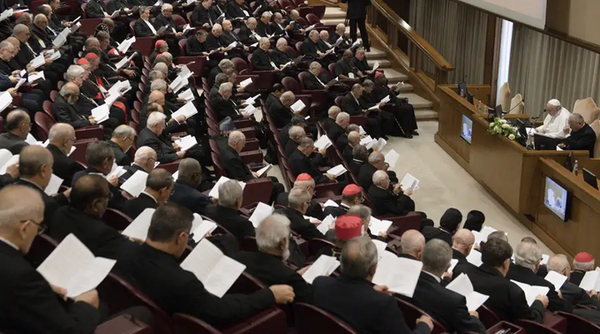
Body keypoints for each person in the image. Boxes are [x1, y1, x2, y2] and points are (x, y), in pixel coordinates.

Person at [114, 203, 295, 327]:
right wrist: (269, 295)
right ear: (182, 237)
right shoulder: (182, 281)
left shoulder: (123, 252)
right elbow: (221, 311)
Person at [0, 185, 102, 334]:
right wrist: (86, 304)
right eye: (38, 226)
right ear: (25, 229)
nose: (37, 233)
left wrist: (40, 287)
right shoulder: (21, 276)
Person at [312, 236, 433, 334]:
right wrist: (424, 326)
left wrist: (372, 291)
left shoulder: (319, 283)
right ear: (374, 268)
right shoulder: (384, 304)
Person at [408, 239, 486, 333]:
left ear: (420, 256)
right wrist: (474, 318)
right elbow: (477, 331)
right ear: (448, 266)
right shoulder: (455, 301)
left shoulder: (403, 279)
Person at [234, 214, 313, 303]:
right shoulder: (290, 278)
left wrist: (296, 275)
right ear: (283, 243)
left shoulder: (238, 258)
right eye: (289, 238)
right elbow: (308, 306)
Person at [50, 175, 134, 259]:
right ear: (95, 205)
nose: (108, 200)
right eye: (108, 196)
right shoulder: (103, 233)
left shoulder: (59, 212)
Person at [465, 238, 547, 323]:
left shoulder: (465, 273)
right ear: (506, 262)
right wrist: (539, 303)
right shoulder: (512, 291)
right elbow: (529, 322)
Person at [506, 239, 573, 313]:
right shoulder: (546, 286)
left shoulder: (503, 272)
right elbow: (566, 309)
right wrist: (560, 298)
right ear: (537, 263)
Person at [14, 146, 69, 227]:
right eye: (51, 168)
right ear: (43, 170)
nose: (52, 171)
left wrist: (63, 196)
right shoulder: (48, 206)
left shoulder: (6, 190)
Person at [72, 141, 126, 210]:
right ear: (105, 163)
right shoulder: (107, 189)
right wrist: (108, 185)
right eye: (113, 159)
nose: (114, 161)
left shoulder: (77, 176)